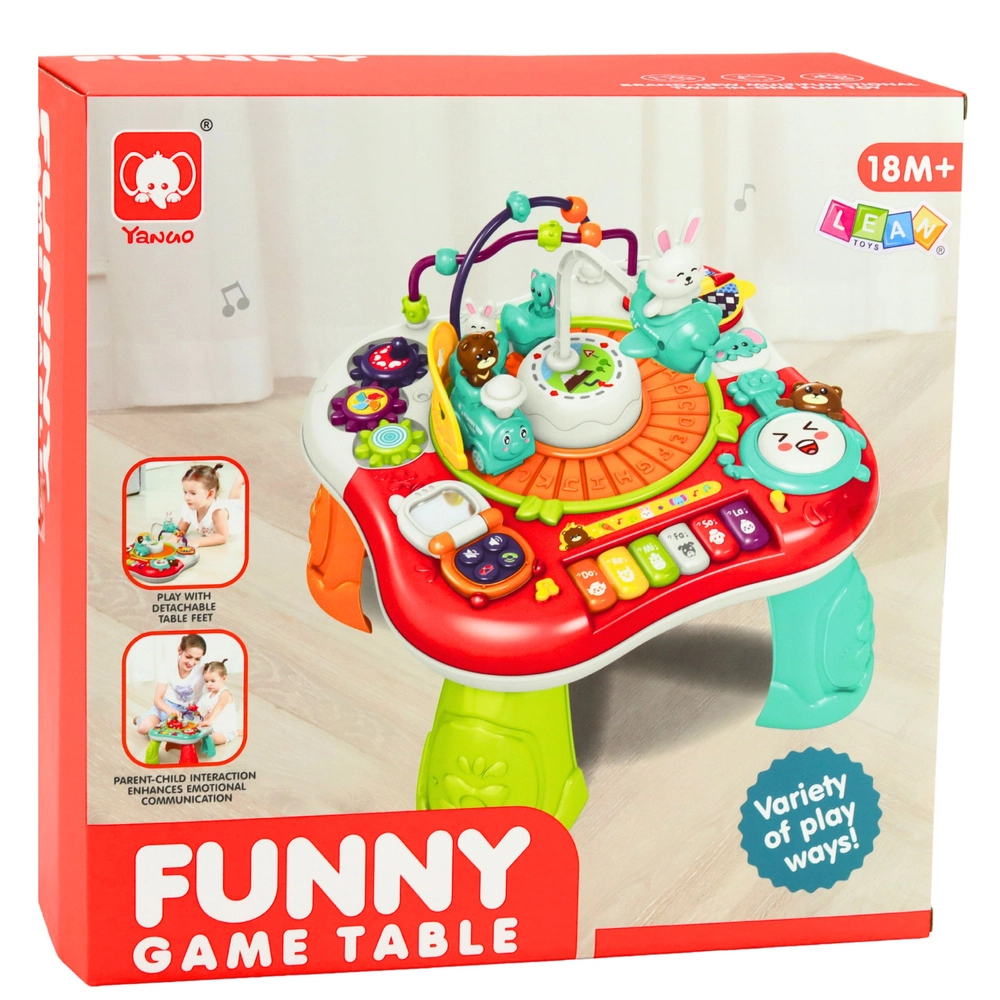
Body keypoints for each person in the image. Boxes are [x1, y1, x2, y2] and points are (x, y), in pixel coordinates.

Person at [135, 634, 207, 735]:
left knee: (177, 735)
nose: (192, 663)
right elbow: (157, 699)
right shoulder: (168, 665)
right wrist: (170, 711)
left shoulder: (204, 669)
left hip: (187, 712)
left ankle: (160, 723)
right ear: (180, 650)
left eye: (197, 659)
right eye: (188, 657)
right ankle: (140, 720)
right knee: (143, 728)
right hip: (167, 705)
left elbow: (218, 685)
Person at [175, 464, 245, 548]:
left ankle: (239, 480)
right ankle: (238, 481)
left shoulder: (218, 512)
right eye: (185, 492)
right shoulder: (190, 507)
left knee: (236, 503)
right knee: (232, 501)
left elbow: (223, 536)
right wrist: (173, 539)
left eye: (193, 493)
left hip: (240, 514)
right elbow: (180, 529)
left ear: (210, 494)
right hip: (229, 505)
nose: (187, 497)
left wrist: (198, 541)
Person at [196, 660, 242, 746]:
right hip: (213, 727)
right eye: (206, 681)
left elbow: (220, 705)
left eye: (213, 681)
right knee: (197, 734)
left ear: (223, 678)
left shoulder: (224, 693)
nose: (209, 684)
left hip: (225, 730)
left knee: (213, 739)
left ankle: (235, 733)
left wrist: (210, 719)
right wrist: (204, 720)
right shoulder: (208, 696)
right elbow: (208, 712)